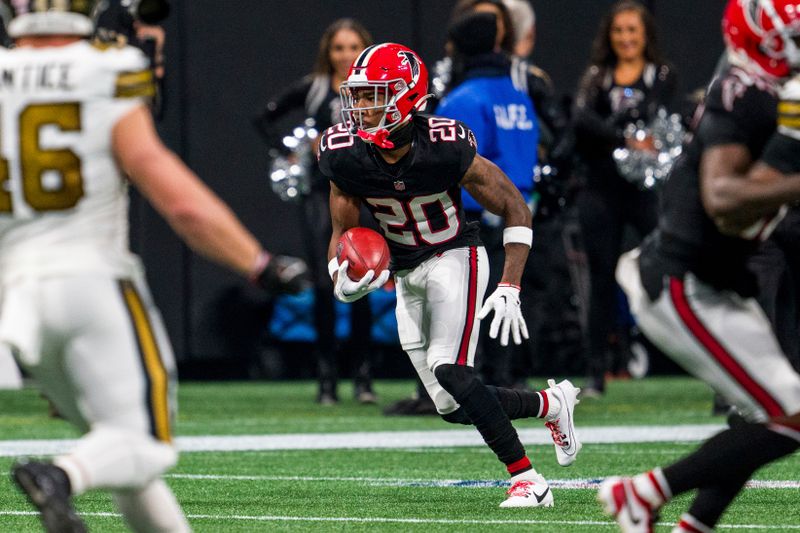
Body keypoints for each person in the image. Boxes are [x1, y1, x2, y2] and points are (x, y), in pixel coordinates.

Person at [0, 2, 306, 532]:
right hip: (90, 284)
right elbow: (177, 200)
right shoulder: (107, 68)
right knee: (145, 445)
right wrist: (259, 263)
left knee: (123, 450)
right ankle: (61, 476)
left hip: (14, 292)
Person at [319, 42, 581, 508]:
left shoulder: (444, 145)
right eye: (357, 96)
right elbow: (342, 234)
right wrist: (340, 275)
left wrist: (510, 283)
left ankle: (529, 481)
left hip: (454, 255)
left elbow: (516, 207)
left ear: (407, 96)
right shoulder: (343, 155)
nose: (360, 107)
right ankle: (550, 404)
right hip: (404, 272)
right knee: (453, 404)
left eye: (373, 95)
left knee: (451, 369)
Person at [601, 1, 800, 531]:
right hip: (678, 281)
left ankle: (694, 524)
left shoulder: (774, 95)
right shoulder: (744, 91)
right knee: (792, 412)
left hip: (716, 280)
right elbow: (722, 195)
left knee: (760, 412)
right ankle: (643, 492)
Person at [254, 19, 378, 405]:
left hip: (367, 193)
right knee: (327, 285)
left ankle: (363, 378)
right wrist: (291, 150)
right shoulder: (315, 88)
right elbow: (264, 117)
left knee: (366, 283)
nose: (345, 55)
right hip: (321, 195)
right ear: (328, 51)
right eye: (338, 47)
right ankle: (327, 379)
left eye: (353, 46)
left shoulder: (377, 89)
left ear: (365, 49)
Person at [572, 0, 676, 397]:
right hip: (601, 189)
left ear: (645, 33)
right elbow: (583, 121)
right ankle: (596, 372)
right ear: (608, 36)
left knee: (670, 269)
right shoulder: (598, 76)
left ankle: (700, 362)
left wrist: (618, 133)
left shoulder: (661, 74)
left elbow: (659, 118)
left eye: (632, 30)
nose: (626, 38)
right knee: (600, 278)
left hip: (644, 189)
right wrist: (626, 138)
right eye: (619, 31)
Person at [436, 10, 539, 389]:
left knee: (463, 306)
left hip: (475, 218)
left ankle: (465, 386)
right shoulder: (517, 95)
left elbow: (452, 166)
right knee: (507, 299)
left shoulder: (463, 99)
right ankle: (507, 378)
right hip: (519, 214)